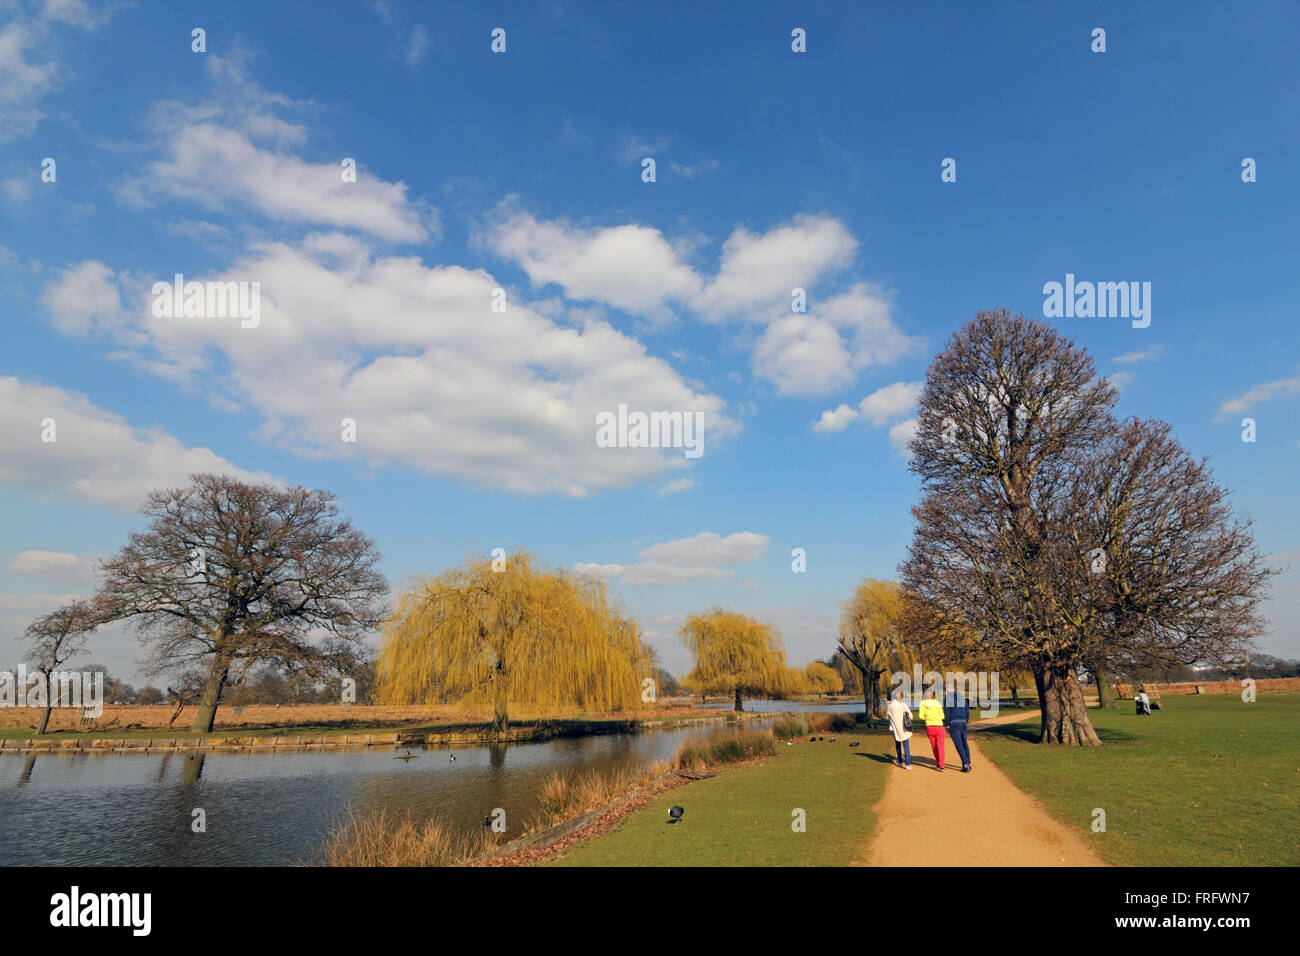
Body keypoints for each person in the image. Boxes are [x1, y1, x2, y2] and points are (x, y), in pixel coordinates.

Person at [943, 680, 972, 772]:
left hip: (954, 722)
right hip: (963, 721)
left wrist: (947, 723)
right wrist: (966, 720)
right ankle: (968, 762)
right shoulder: (962, 697)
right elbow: (967, 710)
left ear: (947, 688)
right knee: (964, 742)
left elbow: (947, 712)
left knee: (958, 743)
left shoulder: (947, 698)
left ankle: (965, 764)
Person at [918, 690, 946, 771]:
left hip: (929, 726)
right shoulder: (937, 703)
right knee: (940, 746)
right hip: (939, 726)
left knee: (934, 746)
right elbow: (942, 716)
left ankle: (938, 762)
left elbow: (921, 716)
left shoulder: (922, 703)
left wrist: (927, 717)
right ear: (933, 695)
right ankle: (941, 765)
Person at [885, 690, 913, 770]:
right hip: (904, 728)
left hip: (896, 729)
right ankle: (907, 764)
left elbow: (887, 717)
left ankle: (900, 761)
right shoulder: (903, 704)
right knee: (906, 746)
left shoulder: (890, 706)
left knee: (898, 745)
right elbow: (910, 716)